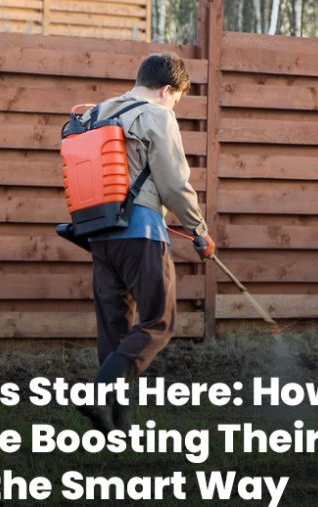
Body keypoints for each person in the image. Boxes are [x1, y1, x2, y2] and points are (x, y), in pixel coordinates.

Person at [75, 53, 216, 433]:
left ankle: (114, 426)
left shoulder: (97, 113)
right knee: (160, 320)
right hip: (141, 233)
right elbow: (173, 183)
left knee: (115, 332)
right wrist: (199, 230)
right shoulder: (158, 115)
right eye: (176, 100)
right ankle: (97, 395)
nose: (174, 107)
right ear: (167, 90)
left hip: (99, 234)